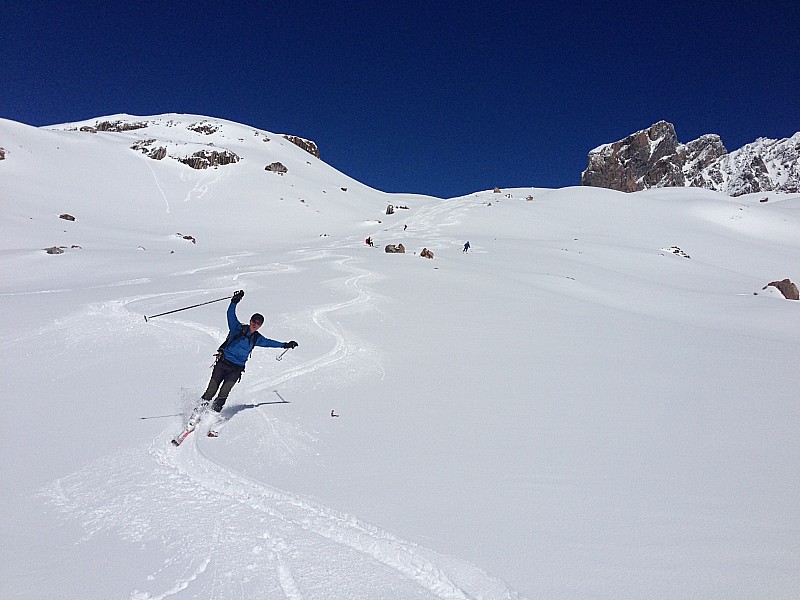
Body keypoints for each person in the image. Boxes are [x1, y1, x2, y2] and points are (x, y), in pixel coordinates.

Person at [190, 290, 297, 428]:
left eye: (258, 323)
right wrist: (234, 302)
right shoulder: (238, 329)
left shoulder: (257, 338)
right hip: (223, 364)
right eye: (254, 321)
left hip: (236, 369)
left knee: (224, 393)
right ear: (250, 320)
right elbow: (230, 315)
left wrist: (285, 345)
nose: (255, 324)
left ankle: (211, 415)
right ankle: (196, 414)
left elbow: (270, 343)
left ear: (260, 325)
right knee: (211, 389)